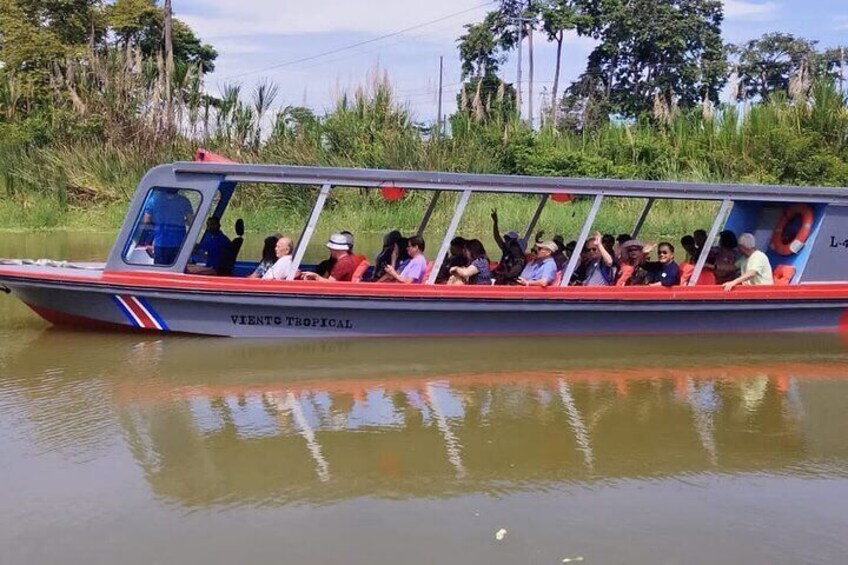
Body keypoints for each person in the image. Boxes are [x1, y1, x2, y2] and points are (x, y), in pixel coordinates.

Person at [142, 188, 194, 265]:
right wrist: (181, 221)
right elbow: (191, 222)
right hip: (179, 242)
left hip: (160, 242)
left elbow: (146, 221)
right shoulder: (184, 201)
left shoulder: (153, 200)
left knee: (160, 270)